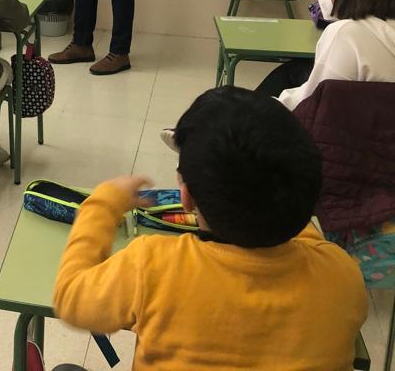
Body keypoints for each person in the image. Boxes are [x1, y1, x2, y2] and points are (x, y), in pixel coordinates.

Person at [53, 87, 367, 371]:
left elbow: (70, 297)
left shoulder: (153, 266)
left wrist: (103, 203)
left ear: (186, 198)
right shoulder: (342, 276)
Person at [259, 0, 395, 110]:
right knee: (295, 69)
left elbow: (314, 98)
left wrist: (265, 107)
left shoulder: (347, 32)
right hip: (380, 118)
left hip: (346, 122)